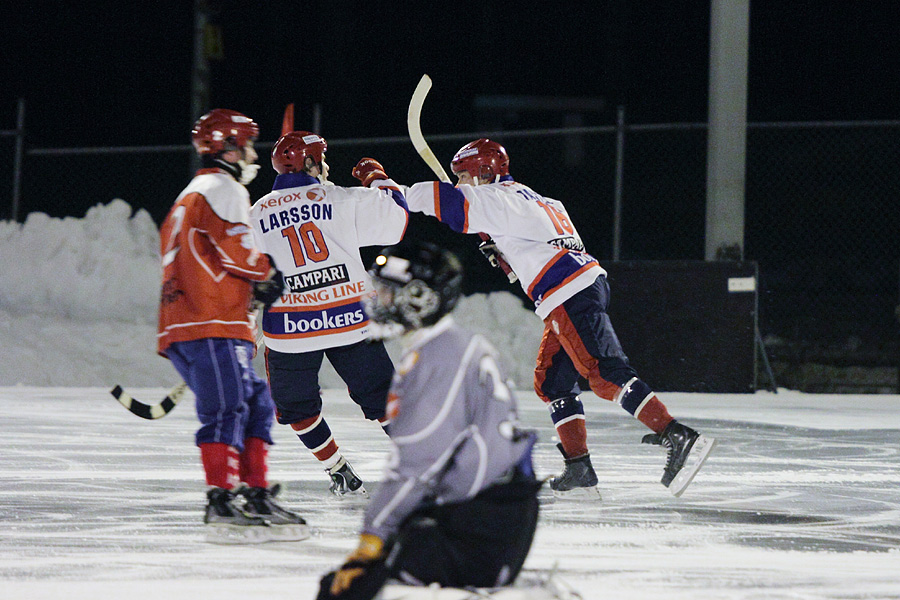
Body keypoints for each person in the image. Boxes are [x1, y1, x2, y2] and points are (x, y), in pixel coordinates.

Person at [402, 138, 716, 498]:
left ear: (485, 171)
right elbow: (532, 246)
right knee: (552, 381)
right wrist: (503, 249)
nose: (459, 183)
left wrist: (393, 192)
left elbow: (450, 205)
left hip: (567, 291)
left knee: (605, 373)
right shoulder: (537, 199)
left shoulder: (497, 198)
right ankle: (579, 467)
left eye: (463, 176)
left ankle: (676, 435)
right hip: (575, 287)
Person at [317, 241, 541, 600]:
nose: (378, 299)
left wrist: (372, 537)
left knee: (345, 589)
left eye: (389, 292)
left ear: (420, 298)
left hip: (481, 527)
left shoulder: (437, 358)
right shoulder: (455, 343)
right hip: (494, 510)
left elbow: (417, 463)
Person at [157, 108, 309, 543]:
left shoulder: (192, 193)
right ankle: (221, 500)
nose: (250, 153)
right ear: (228, 147)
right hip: (210, 321)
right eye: (245, 144)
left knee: (256, 404)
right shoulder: (222, 188)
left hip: (198, 319)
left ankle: (254, 492)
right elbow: (237, 247)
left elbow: (194, 253)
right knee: (226, 407)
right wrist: (266, 274)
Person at [249, 131, 409, 497]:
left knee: (296, 407)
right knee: (383, 398)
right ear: (310, 163)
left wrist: (242, 320)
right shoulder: (340, 197)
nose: (326, 165)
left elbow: (245, 273)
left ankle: (338, 470)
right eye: (321, 158)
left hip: (290, 327)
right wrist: (376, 176)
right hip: (349, 318)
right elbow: (397, 220)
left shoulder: (256, 212)